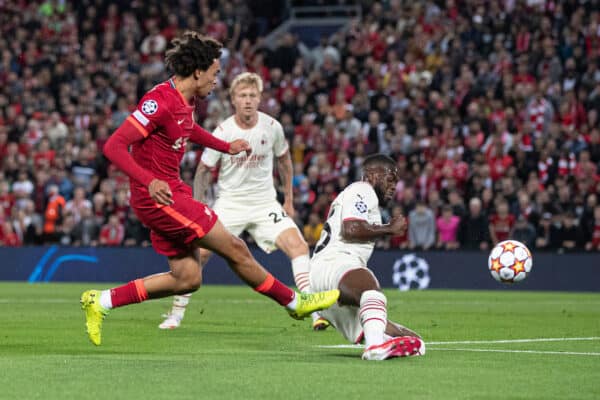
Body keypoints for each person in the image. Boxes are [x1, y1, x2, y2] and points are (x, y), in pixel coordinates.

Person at [80, 31, 339, 346]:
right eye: (215, 74)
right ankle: (296, 304)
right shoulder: (158, 101)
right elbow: (114, 146)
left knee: (187, 279)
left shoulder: (186, 100)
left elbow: (189, 130)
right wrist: (150, 180)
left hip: (171, 192)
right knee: (235, 248)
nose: (217, 81)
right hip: (159, 198)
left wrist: (224, 146)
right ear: (198, 71)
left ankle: (101, 301)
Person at [159, 72, 329, 331]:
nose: (248, 100)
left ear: (260, 98)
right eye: (243, 95)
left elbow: (284, 160)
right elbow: (204, 170)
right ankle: (175, 314)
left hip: (264, 203)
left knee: (299, 247)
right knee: (199, 253)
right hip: (230, 203)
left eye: (252, 95)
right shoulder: (224, 130)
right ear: (233, 100)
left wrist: (288, 200)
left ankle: (314, 311)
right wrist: (198, 205)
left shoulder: (272, 127)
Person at [309, 154, 425, 361]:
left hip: (323, 280)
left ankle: (377, 339)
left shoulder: (361, 198)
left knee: (417, 343)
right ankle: (375, 347)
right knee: (371, 289)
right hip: (335, 262)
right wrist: (389, 228)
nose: (393, 187)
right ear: (372, 176)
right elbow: (351, 229)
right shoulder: (363, 189)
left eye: (396, 182)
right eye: (390, 179)